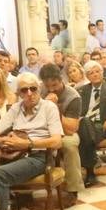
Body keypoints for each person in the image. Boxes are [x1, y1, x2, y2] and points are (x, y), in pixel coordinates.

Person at [0, 72, 64, 210]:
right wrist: (3, 140)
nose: (29, 93)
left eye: (33, 89)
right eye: (24, 90)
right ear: (19, 93)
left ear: (39, 89)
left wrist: (27, 144)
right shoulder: (15, 108)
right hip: (14, 154)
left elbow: (57, 141)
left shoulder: (49, 108)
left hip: (39, 156)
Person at [39, 63, 86, 199]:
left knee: (70, 145)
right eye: (48, 86)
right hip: (41, 131)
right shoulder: (39, 91)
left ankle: (73, 188)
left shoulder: (73, 96)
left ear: (61, 80)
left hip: (64, 132)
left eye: (54, 85)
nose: (51, 89)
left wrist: (55, 108)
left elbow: (71, 128)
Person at [77, 63, 106, 186]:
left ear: (102, 72)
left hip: (103, 125)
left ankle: (89, 171)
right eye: (91, 73)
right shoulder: (82, 90)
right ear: (87, 76)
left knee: (85, 128)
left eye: (97, 71)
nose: (95, 74)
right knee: (85, 124)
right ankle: (91, 167)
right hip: (83, 124)